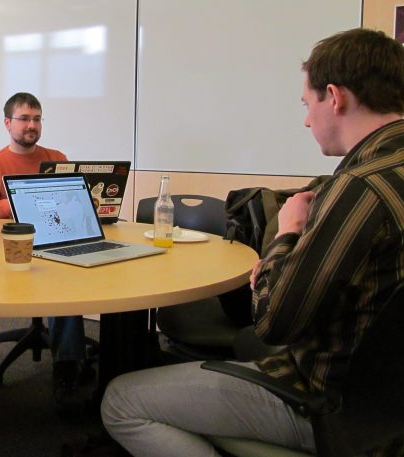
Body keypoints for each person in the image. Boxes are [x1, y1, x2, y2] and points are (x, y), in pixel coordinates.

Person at [101, 28, 404, 456]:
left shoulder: (359, 190)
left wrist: (286, 235)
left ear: (334, 97)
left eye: (307, 104)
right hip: (388, 397)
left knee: (120, 400)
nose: (305, 119)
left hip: (330, 403)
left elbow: (273, 321)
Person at [0, 92, 90, 409]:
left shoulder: (57, 158)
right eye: (24, 119)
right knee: (55, 281)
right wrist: (29, 198)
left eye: (37, 119)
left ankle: (68, 366)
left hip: (54, 240)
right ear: (8, 122)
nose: (31, 125)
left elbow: (69, 201)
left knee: (64, 282)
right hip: (10, 249)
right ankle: (69, 362)